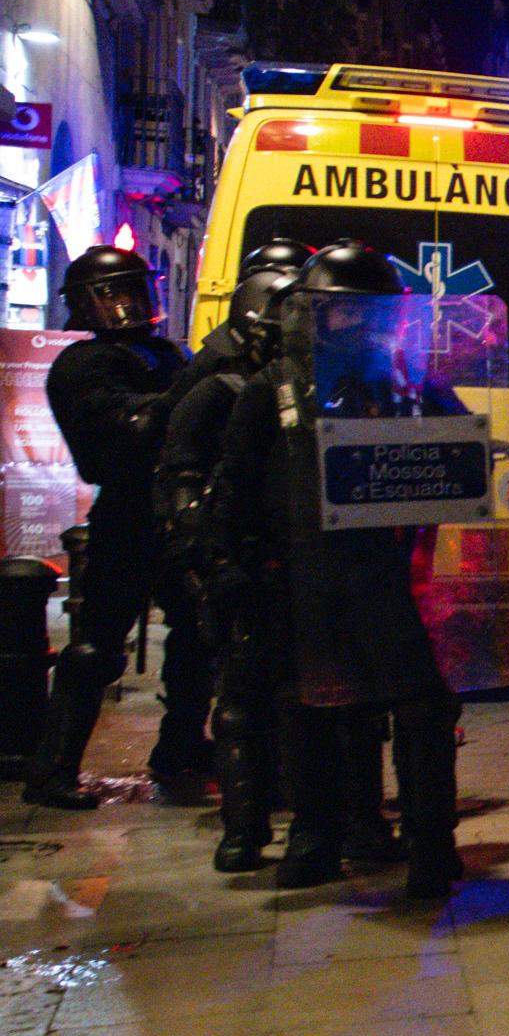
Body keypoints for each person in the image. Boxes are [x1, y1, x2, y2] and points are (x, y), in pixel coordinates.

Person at [215, 245, 464, 901]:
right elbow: (233, 489)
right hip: (305, 574)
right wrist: (230, 567)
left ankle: (432, 841)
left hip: (389, 573)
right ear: (314, 316)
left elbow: (459, 456)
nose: (355, 325)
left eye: (367, 313)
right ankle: (314, 836)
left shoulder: (412, 387)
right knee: (309, 708)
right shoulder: (273, 391)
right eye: (341, 312)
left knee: (423, 708)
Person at [25, 245, 208, 807]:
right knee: (97, 648)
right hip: (126, 514)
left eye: (130, 290)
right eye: (110, 294)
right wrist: (192, 389)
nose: (124, 304)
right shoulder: (83, 364)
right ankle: (53, 770)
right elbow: (127, 431)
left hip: (176, 510)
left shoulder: (162, 353)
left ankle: (179, 747)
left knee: (200, 634)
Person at [154, 264, 303, 870]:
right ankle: (242, 828)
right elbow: (183, 473)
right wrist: (209, 555)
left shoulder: (305, 389)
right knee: (239, 696)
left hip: (296, 560)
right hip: (241, 557)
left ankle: (294, 796)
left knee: (297, 693)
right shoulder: (220, 391)